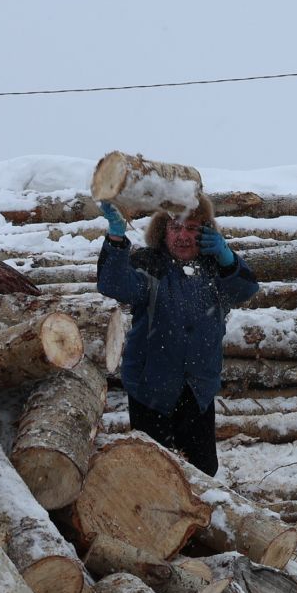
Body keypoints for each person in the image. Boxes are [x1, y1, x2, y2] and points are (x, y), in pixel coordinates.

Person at [95, 193, 258, 476]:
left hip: (198, 390)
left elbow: (245, 290)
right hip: (151, 388)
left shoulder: (215, 268)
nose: (183, 236)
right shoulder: (150, 265)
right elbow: (114, 284)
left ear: (206, 232)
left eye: (192, 228)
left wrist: (228, 259)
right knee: (152, 472)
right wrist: (116, 239)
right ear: (162, 231)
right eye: (175, 227)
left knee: (202, 470)